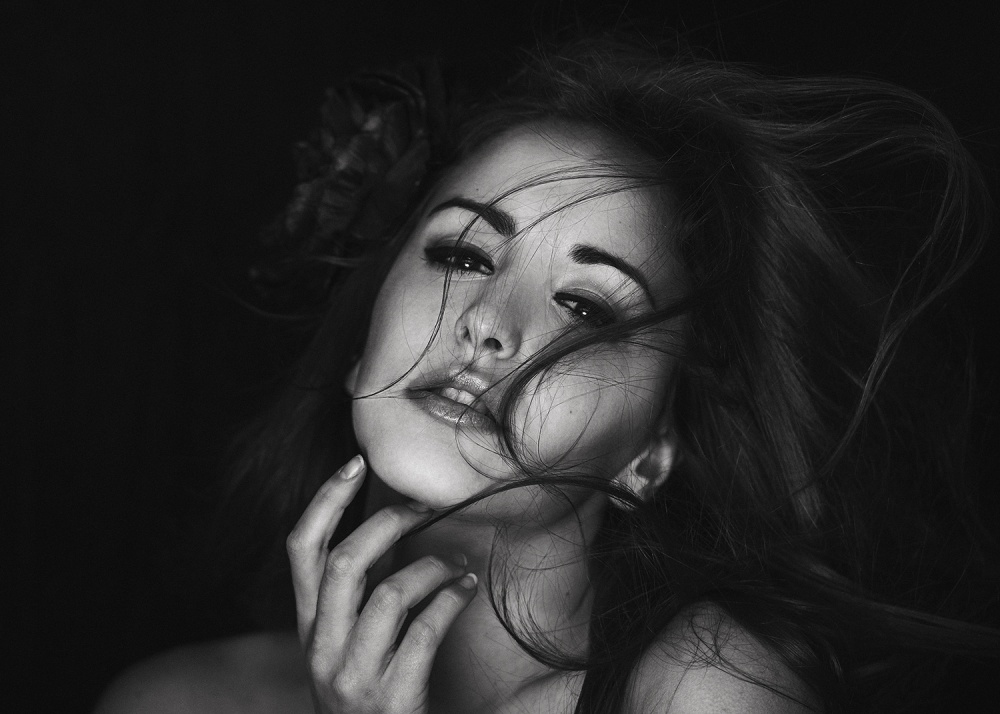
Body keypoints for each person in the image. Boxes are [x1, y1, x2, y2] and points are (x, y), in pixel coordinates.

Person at [95, 35, 999, 713]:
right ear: (360, 340)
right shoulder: (174, 701)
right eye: (461, 255)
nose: (488, 326)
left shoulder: (707, 690)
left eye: (588, 308)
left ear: (651, 453)